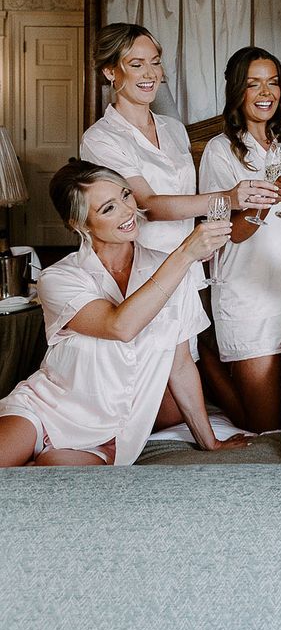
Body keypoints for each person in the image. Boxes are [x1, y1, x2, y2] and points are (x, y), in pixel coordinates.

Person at [80, 23, 278, 424]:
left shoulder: (172, 129)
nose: (151, 73)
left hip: (185, 263)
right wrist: (229, 197)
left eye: (155, 62)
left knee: (178, 386)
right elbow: (147, 205)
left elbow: (192, 201)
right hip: (139, 269)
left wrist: (252, 211)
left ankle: (201, 365)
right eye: (136, 64)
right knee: (159, 411)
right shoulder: (100, 139)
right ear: (110, 73)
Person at [0, 161, 249, 467]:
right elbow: (120, 325)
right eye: (108, 208)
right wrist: (184, 254)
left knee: (50, 495)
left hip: (112, 437)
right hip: (44, 410)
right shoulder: (58, 278)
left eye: (125, 196)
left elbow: (181, 366)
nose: (128, 211)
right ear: (80, 224)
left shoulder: (173, 269)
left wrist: (210, 442)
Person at [198, 46, 281, 432]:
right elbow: (224, 231)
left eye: (273, 82)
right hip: (249, 302)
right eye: (253, 84)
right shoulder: (220, 151)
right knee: (265, 426)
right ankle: (206, 360)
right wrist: (263, 204)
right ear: (237, 91)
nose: (266, 92)